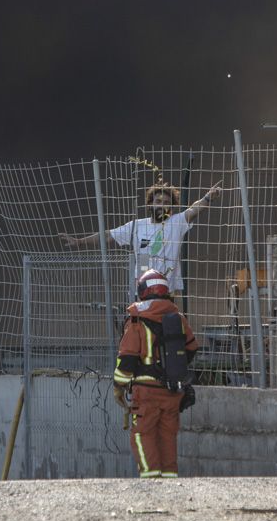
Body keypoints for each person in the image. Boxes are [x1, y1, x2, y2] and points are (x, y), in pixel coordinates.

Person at [59, 180, 222, 299]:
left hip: (167, 291)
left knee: (167, 332)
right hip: (141, 291)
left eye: (166, 203)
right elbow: (108, 235)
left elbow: (194, 209)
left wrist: (208, 197)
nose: (161, 205)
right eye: (158, 201)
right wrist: (80, 241)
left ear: (171, 207)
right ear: (150, 204)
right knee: (143, 335)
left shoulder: (176, 222)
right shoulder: (137, 226)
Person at [112, 269, 199, 478]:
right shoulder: (177, 317)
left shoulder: (136, 318)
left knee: (143, 435)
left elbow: (127, 359)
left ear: (143, 291)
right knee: (167, 436)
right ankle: (169, 483)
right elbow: (192, 348)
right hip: (172, 391)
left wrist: (118, 386)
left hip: (146, 393)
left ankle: (151, 482)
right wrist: (170, 369)